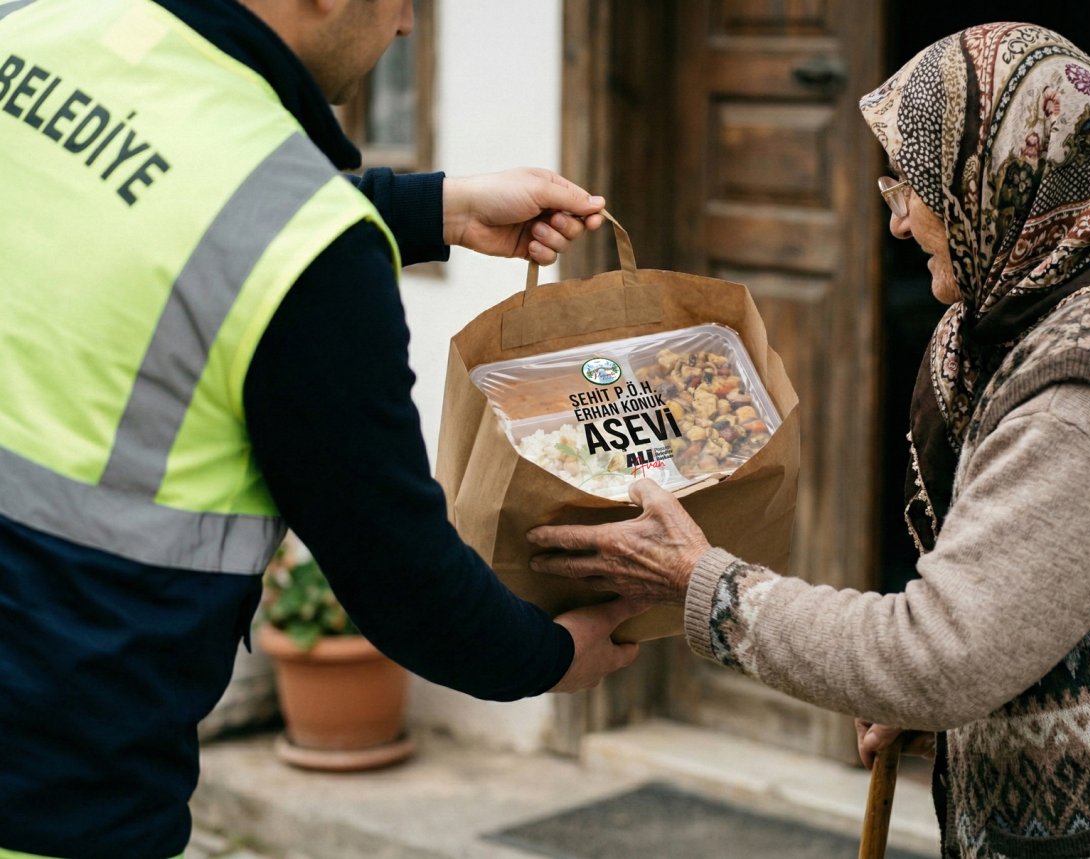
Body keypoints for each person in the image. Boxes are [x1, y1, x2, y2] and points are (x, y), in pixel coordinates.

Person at [527, 22, 1090, 858]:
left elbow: (939, 653)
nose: (896, 223)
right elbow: (1057, 609)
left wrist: (701, 583)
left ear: (994, 181)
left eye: (912, 189)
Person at [0, 0, 641, 856]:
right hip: (58, 784)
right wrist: (555, 655)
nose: (410, 27)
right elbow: (404, 578)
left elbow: (170, 190)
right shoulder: (307, 249)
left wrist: (432, 206)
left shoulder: (40, 33)